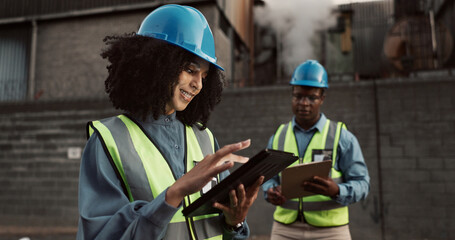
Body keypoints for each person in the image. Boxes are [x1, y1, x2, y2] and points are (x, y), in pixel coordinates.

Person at [77, 4, 264, 240]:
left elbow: (217, 229)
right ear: (156, 64)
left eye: (204, 76)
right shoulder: (108, 141)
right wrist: (173, 195)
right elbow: (100, 236)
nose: (198, 85)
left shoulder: (204, 138)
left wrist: (234, 223)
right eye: (189, 70)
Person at [261, 60, 370, 240]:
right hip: (285, 230)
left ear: (322, 99)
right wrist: (270, 191)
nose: (304, 103)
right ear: (292, 96)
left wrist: (337, 191)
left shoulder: (342, 137)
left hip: (331, 231)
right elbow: (267, 179)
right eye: (298, 96)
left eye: (311, 97)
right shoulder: (278, 137)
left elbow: (362, 184)